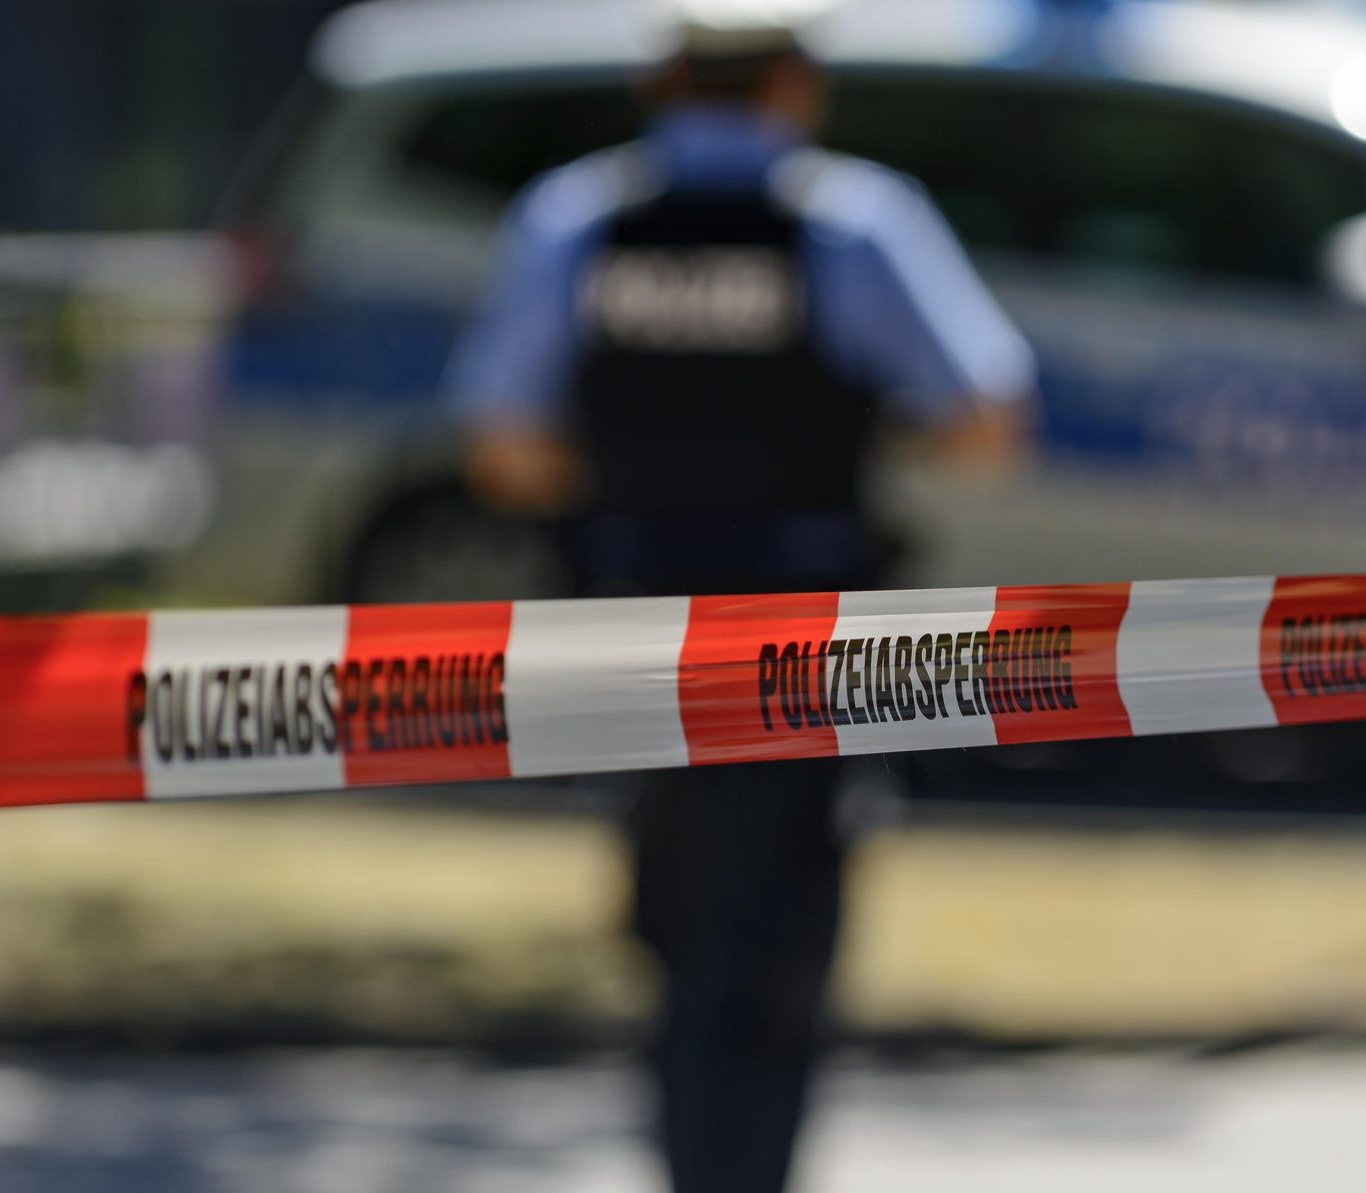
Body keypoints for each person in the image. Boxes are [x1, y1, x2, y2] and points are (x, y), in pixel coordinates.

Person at [443, 3, 1035, 1191]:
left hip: (637, 618)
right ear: (795, 86)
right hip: (801, 628)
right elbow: (986, 419)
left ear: (660, 82)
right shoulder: (856, 222)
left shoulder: (578, 219)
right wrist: (848, 431)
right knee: (780, 921)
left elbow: (503, 450)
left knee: (678, 915)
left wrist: (641, 463)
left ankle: (694, 1156)